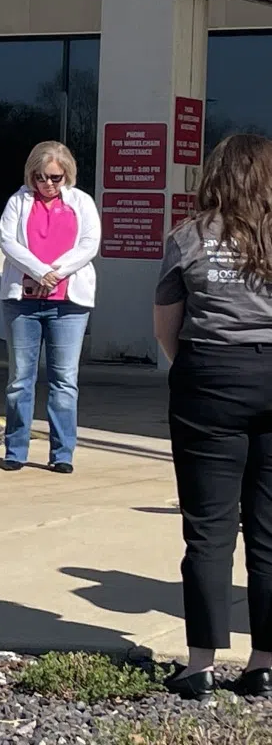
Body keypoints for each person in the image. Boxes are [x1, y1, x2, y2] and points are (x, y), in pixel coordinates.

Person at [154, 133, 272, 702]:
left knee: (208, 528)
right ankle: (263, 664)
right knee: (269, 532)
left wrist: (199, 371)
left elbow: (164, 327)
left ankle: (200, 663)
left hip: (208, 376)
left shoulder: (187, 237)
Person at [0, 141, 100, 473]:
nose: (47, 184)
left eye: (55, 177)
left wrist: (57, 272)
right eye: (41, 177)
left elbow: (89, 244)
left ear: (66, 174)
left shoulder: (81, 202)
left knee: (64, 381)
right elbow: (7, 241)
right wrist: (41, 271)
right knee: (20, 379)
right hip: (23, 302)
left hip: (68, 302)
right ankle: (15, 449)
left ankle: (62, 453)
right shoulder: (18, 200)